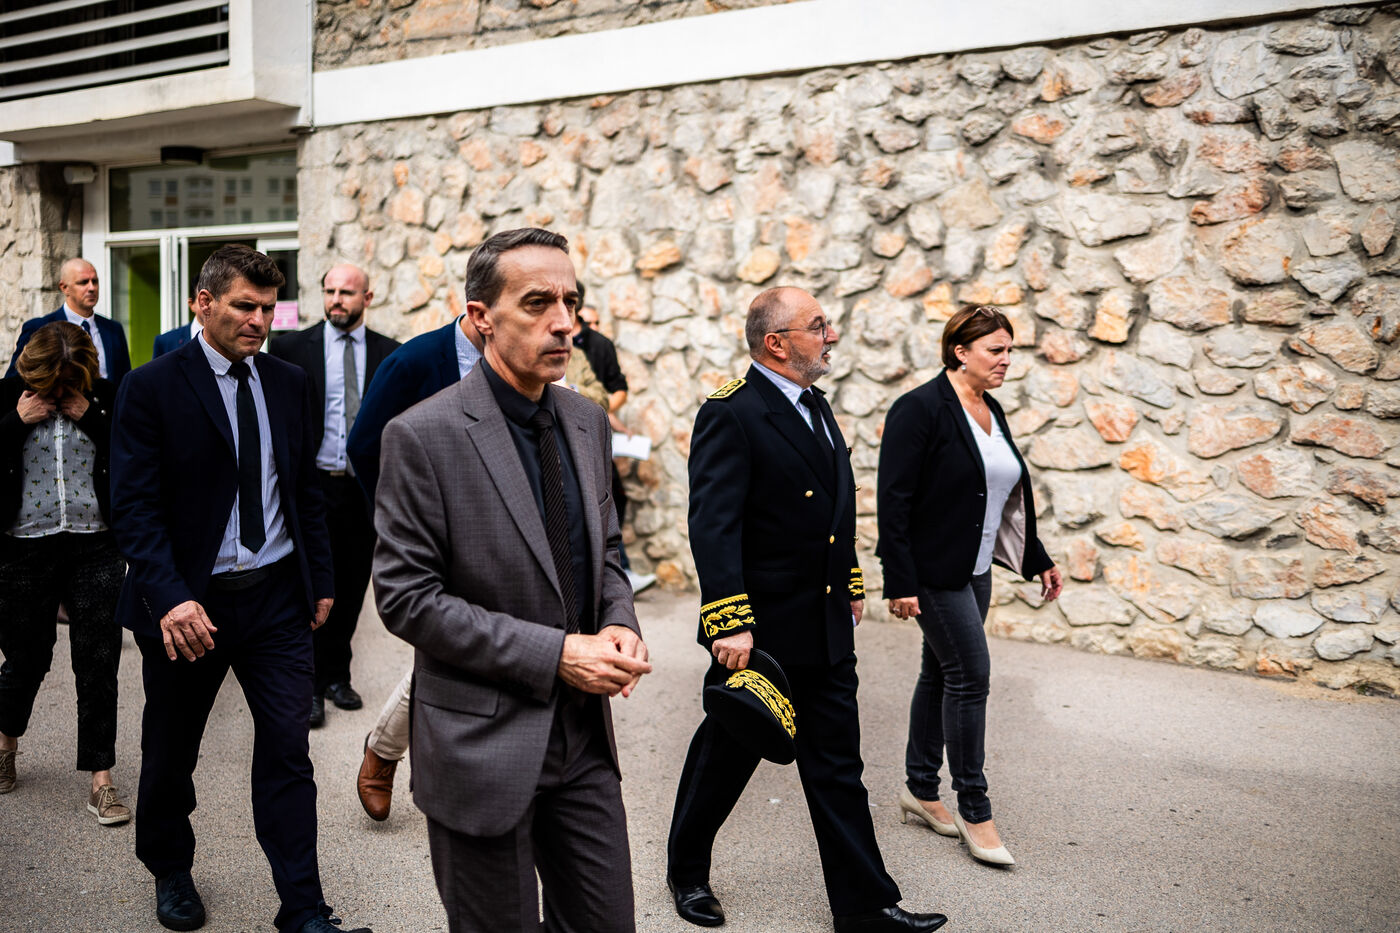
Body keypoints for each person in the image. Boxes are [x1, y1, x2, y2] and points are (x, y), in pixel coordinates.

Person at [373, 227, 650, 933]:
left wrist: (619, 621)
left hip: (583, 743)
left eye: (571, 302)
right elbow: (407, 599)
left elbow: (606, 551)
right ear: (481, 318)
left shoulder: (586, 421)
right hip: (480, 745)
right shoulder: (423, 434)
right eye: (537, 303)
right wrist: (556, 653)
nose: (564, 322)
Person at [667, 286, 946, 933]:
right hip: (762, 632)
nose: (831, 335)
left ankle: (865, 906)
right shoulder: (731, 413)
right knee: (727, 756)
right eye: (818, 325)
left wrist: (849, 579)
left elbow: (833, 508)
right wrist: (729, 619)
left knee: (839, 766)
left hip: (823, 625)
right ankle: (687, 871)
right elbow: (714, 525)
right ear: (776, 342)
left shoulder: (814, 404)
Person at [109, 244, 370, 933]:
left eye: (268, 309)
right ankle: (170, 866)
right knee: (172, 753)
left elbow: (303, 487)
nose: (259, 321)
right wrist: (171, 596)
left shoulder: (287, 382)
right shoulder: (153, 386)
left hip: (276, 598)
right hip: (189, 605)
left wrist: (319, 578)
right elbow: (133, 506)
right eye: (244, 306)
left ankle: (304, 909)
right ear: (203, 303)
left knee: (288, 750)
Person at [877, 304, 1063, 868]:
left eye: (1010, 350)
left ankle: (919, 788)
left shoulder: (990, 407)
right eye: (995, 350)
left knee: (940, 672)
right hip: (933, 573)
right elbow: (894, 500)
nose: (1006, 360)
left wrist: (1036, 557)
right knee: (970, 676)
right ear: (960, 351)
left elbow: (1001, 490)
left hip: (976, 570)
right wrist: (899, 580)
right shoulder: (919, 408)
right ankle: (974, 808)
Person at [344, 295, 487, 822]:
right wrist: (402, 520)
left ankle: (391, 754)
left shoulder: (522, 357)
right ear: (482, 312)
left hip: (507, 532)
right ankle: (386, 754)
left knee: (480, 649)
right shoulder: (413, 361)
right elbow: (365, 445)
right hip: (438, 535)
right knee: (452, 647)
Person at [0, 322, 128, 824]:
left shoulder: (105, 398)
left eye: (69, 383)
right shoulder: (6, 397)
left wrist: (90, 415)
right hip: (22, 547)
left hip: (94, 544)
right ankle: (6, 743)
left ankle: (101, 780)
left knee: (98, 661)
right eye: (51, 384)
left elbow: (135, 456)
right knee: (26, 659)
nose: (58, 393)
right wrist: (15, 421)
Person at [271, 264, 400, 728]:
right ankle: (307, 685)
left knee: (351, 586)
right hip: (311, 487)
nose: (336, 300)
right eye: (329, 291)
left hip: (362, 491)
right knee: (308, 587)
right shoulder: (289, 348)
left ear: (368, 298)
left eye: (346, 292)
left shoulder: (390, 354)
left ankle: (336, 676)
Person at [570, 305, 654, 593]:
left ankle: (619, 572)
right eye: (588, 320)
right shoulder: (562, 348)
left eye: (596, 321)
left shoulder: (594, 348)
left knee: (612, 498)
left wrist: (605, 417)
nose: (592, 326)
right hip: (573, 436)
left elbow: (608, 394)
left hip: (593, 433)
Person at [6, 258, 132, 385]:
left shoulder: (113, 329)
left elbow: (124, 380)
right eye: (83, 282)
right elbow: (14, 380)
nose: (92, 288)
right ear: (64, 287)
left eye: (95, 281)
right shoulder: (39, 327)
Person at [152, 294, 203, 358]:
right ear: (191, 304)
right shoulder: (165, 342)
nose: (210, 305)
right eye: (205, 300)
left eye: (214, 299)